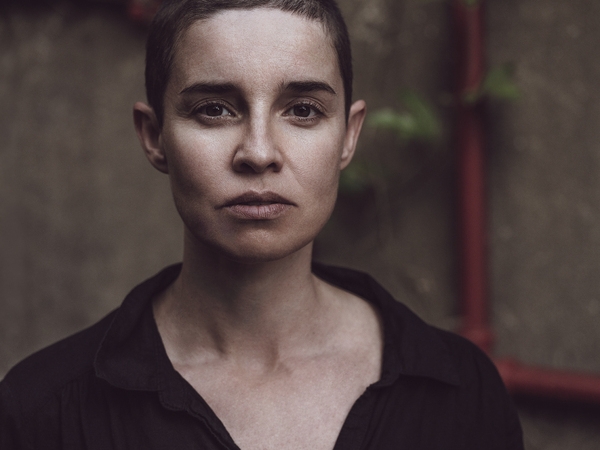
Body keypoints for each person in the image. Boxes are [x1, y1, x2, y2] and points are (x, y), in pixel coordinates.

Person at [0, 0, 524, 448]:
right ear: (155, 136)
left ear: (348, 136)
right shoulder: (41, 411)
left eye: (303, 110)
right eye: (213, 109)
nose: (258, 152)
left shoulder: (463, 392)